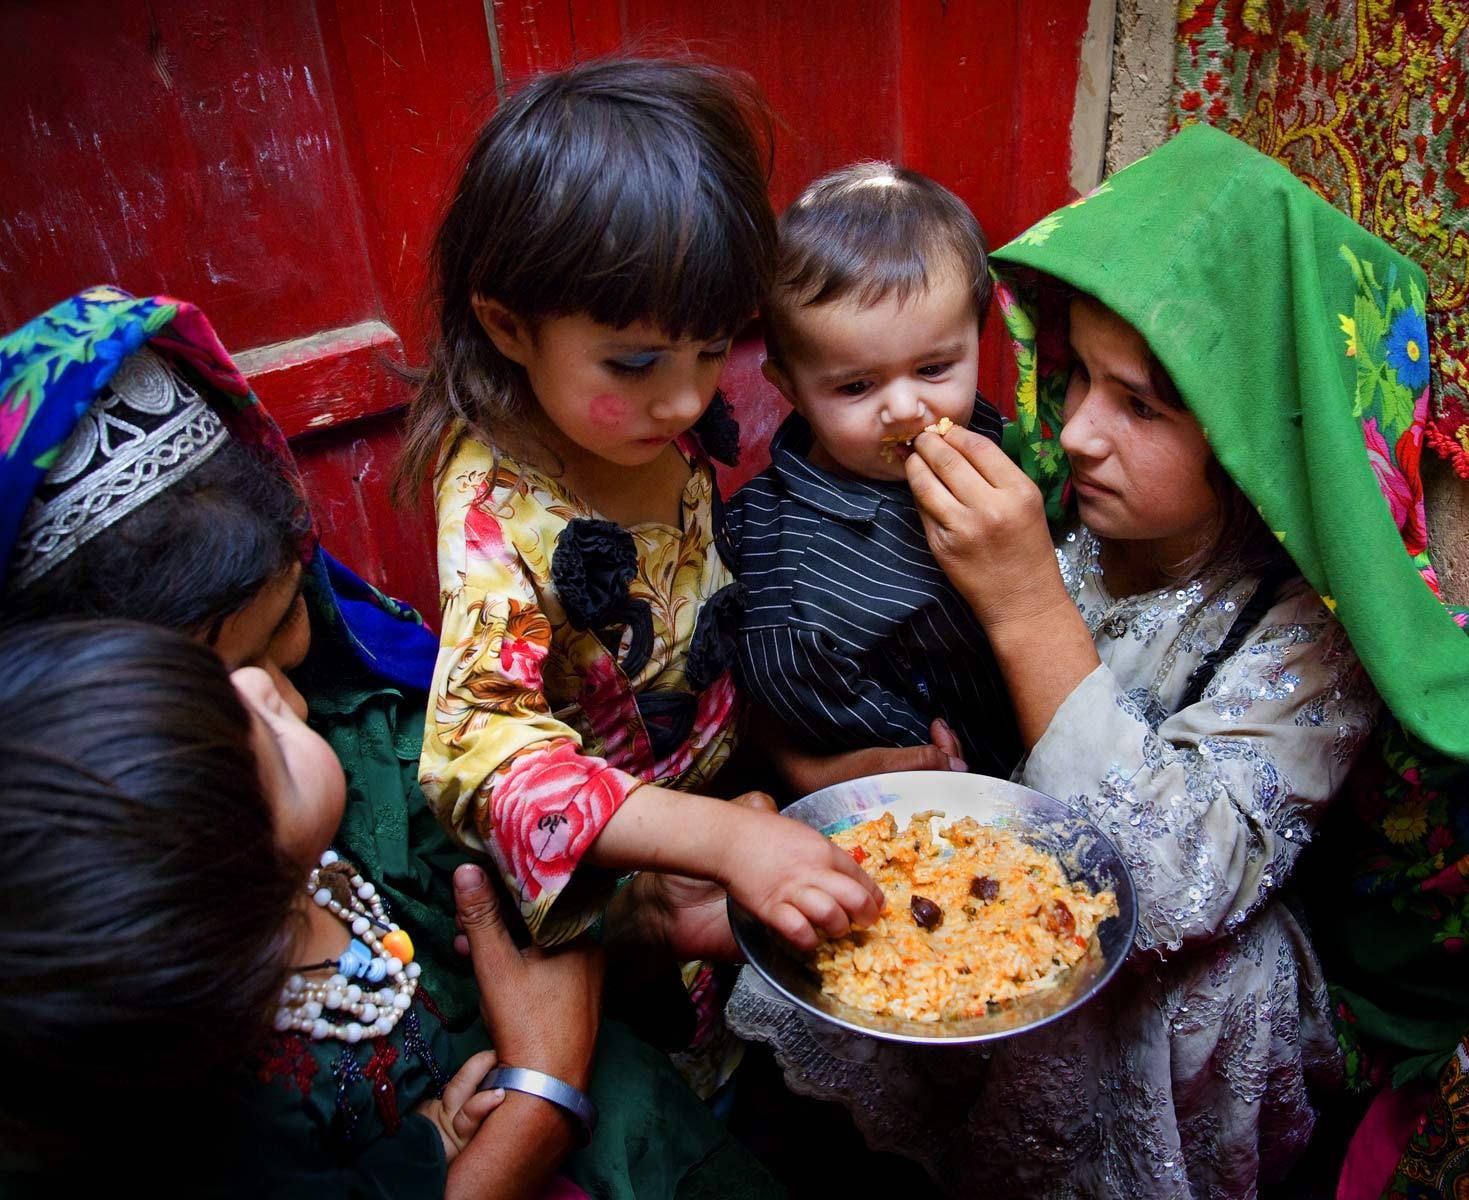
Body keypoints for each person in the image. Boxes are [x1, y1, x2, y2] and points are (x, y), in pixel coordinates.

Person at [728, 123, 1393, 1198]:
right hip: (983, 899)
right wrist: (813, 774)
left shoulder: (1303, 631)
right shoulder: (1053, 495)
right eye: (1076, 374)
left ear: (1254, 428)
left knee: (1191, 989)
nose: (1076, 432)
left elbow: (1174, 891)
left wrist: (1028, 605)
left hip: (1173, 976)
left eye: (1140, 404)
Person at [0, 286, 781, 1197]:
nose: (271, 692)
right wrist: (539, 1099)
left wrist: (645, 910)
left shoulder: (367, 730)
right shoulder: (92, 1006)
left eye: (284, 629)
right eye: (213, 684)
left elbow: (508, 924)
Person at [398, 58, 882, 1098]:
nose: (687, 400)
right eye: (635, 364)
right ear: (508, 323)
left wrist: (794, 775)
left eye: (712, 352)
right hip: (614, 895)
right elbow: (478, 759)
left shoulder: (646, 427)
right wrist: (715, 839)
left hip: (728, 831)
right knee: (667, 1093)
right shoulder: (495, 510)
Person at [728, 161, 1022, 778]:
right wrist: (922, 751)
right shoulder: (794, 570)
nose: (906, 408)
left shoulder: (990, 444)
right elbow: (807, 699)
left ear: (978, 337)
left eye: (936, 369)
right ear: (789, 386)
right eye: (858, 386)